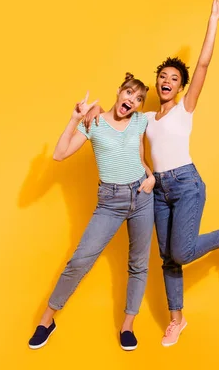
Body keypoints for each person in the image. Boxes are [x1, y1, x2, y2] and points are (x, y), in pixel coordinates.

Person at [84, 0, 219, 347]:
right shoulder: (145, 119)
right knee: (166, 258)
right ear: (157, 84)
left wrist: (214, 20)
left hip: (187, 183)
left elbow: (202, 65)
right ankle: (178, 320)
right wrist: (94, 114)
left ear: (181, 86)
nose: (166, 81)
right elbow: (132, 145)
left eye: (174, 78)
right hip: (158, 189)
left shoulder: (185, 109)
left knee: (181, 252)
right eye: (162, 76)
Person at [28, 73, 156, 352]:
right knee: (79, 261)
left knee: (139, 264)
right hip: (110, 201)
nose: (132, 101)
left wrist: (151, 177)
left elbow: (141, 157)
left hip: (143, 196)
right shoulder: (94, 122)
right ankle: (46, 321)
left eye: (138, 99)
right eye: (129, 94)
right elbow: (59, 154)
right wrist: (76, 118)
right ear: (118, 92)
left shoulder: (140, 121)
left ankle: (127, 326)